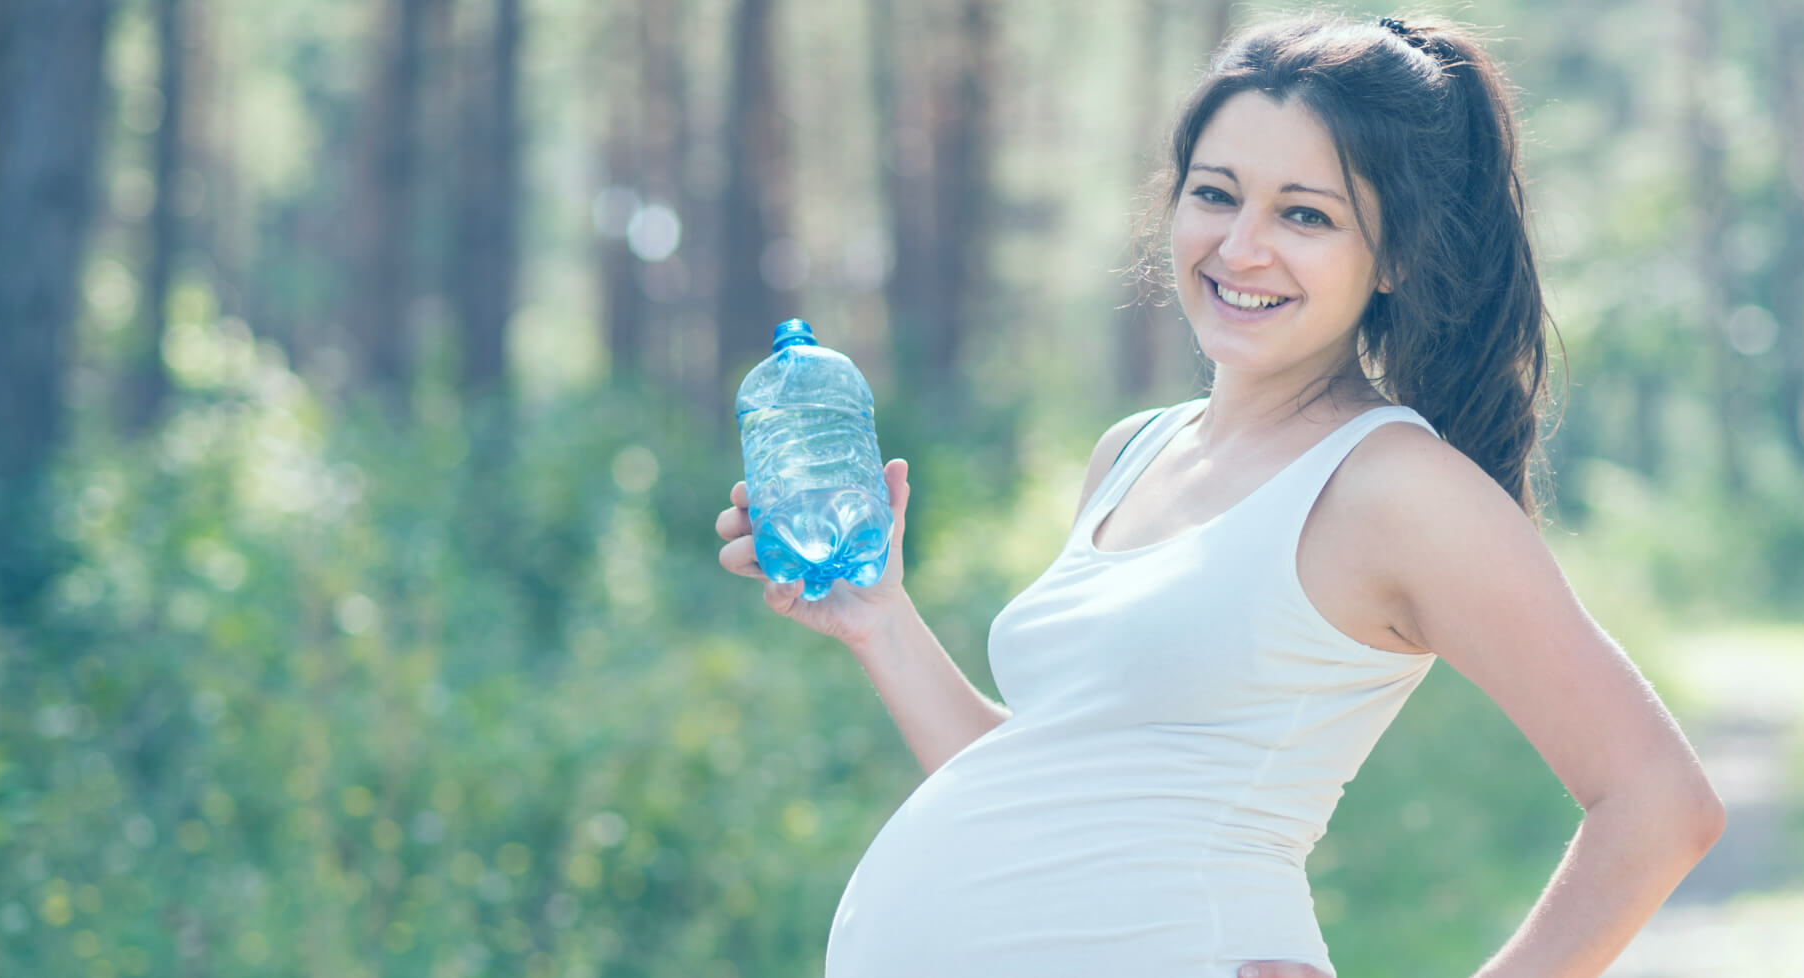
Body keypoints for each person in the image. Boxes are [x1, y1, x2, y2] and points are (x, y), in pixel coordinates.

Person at [714, 12, 1723, 978]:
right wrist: (880, 621)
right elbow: (1052, 792)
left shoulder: (1396, 488)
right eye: (1214, 194)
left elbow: (1659, 803)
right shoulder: (1132, 452)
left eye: (1305, 214)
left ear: (1396, 256)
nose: (1241, 247)